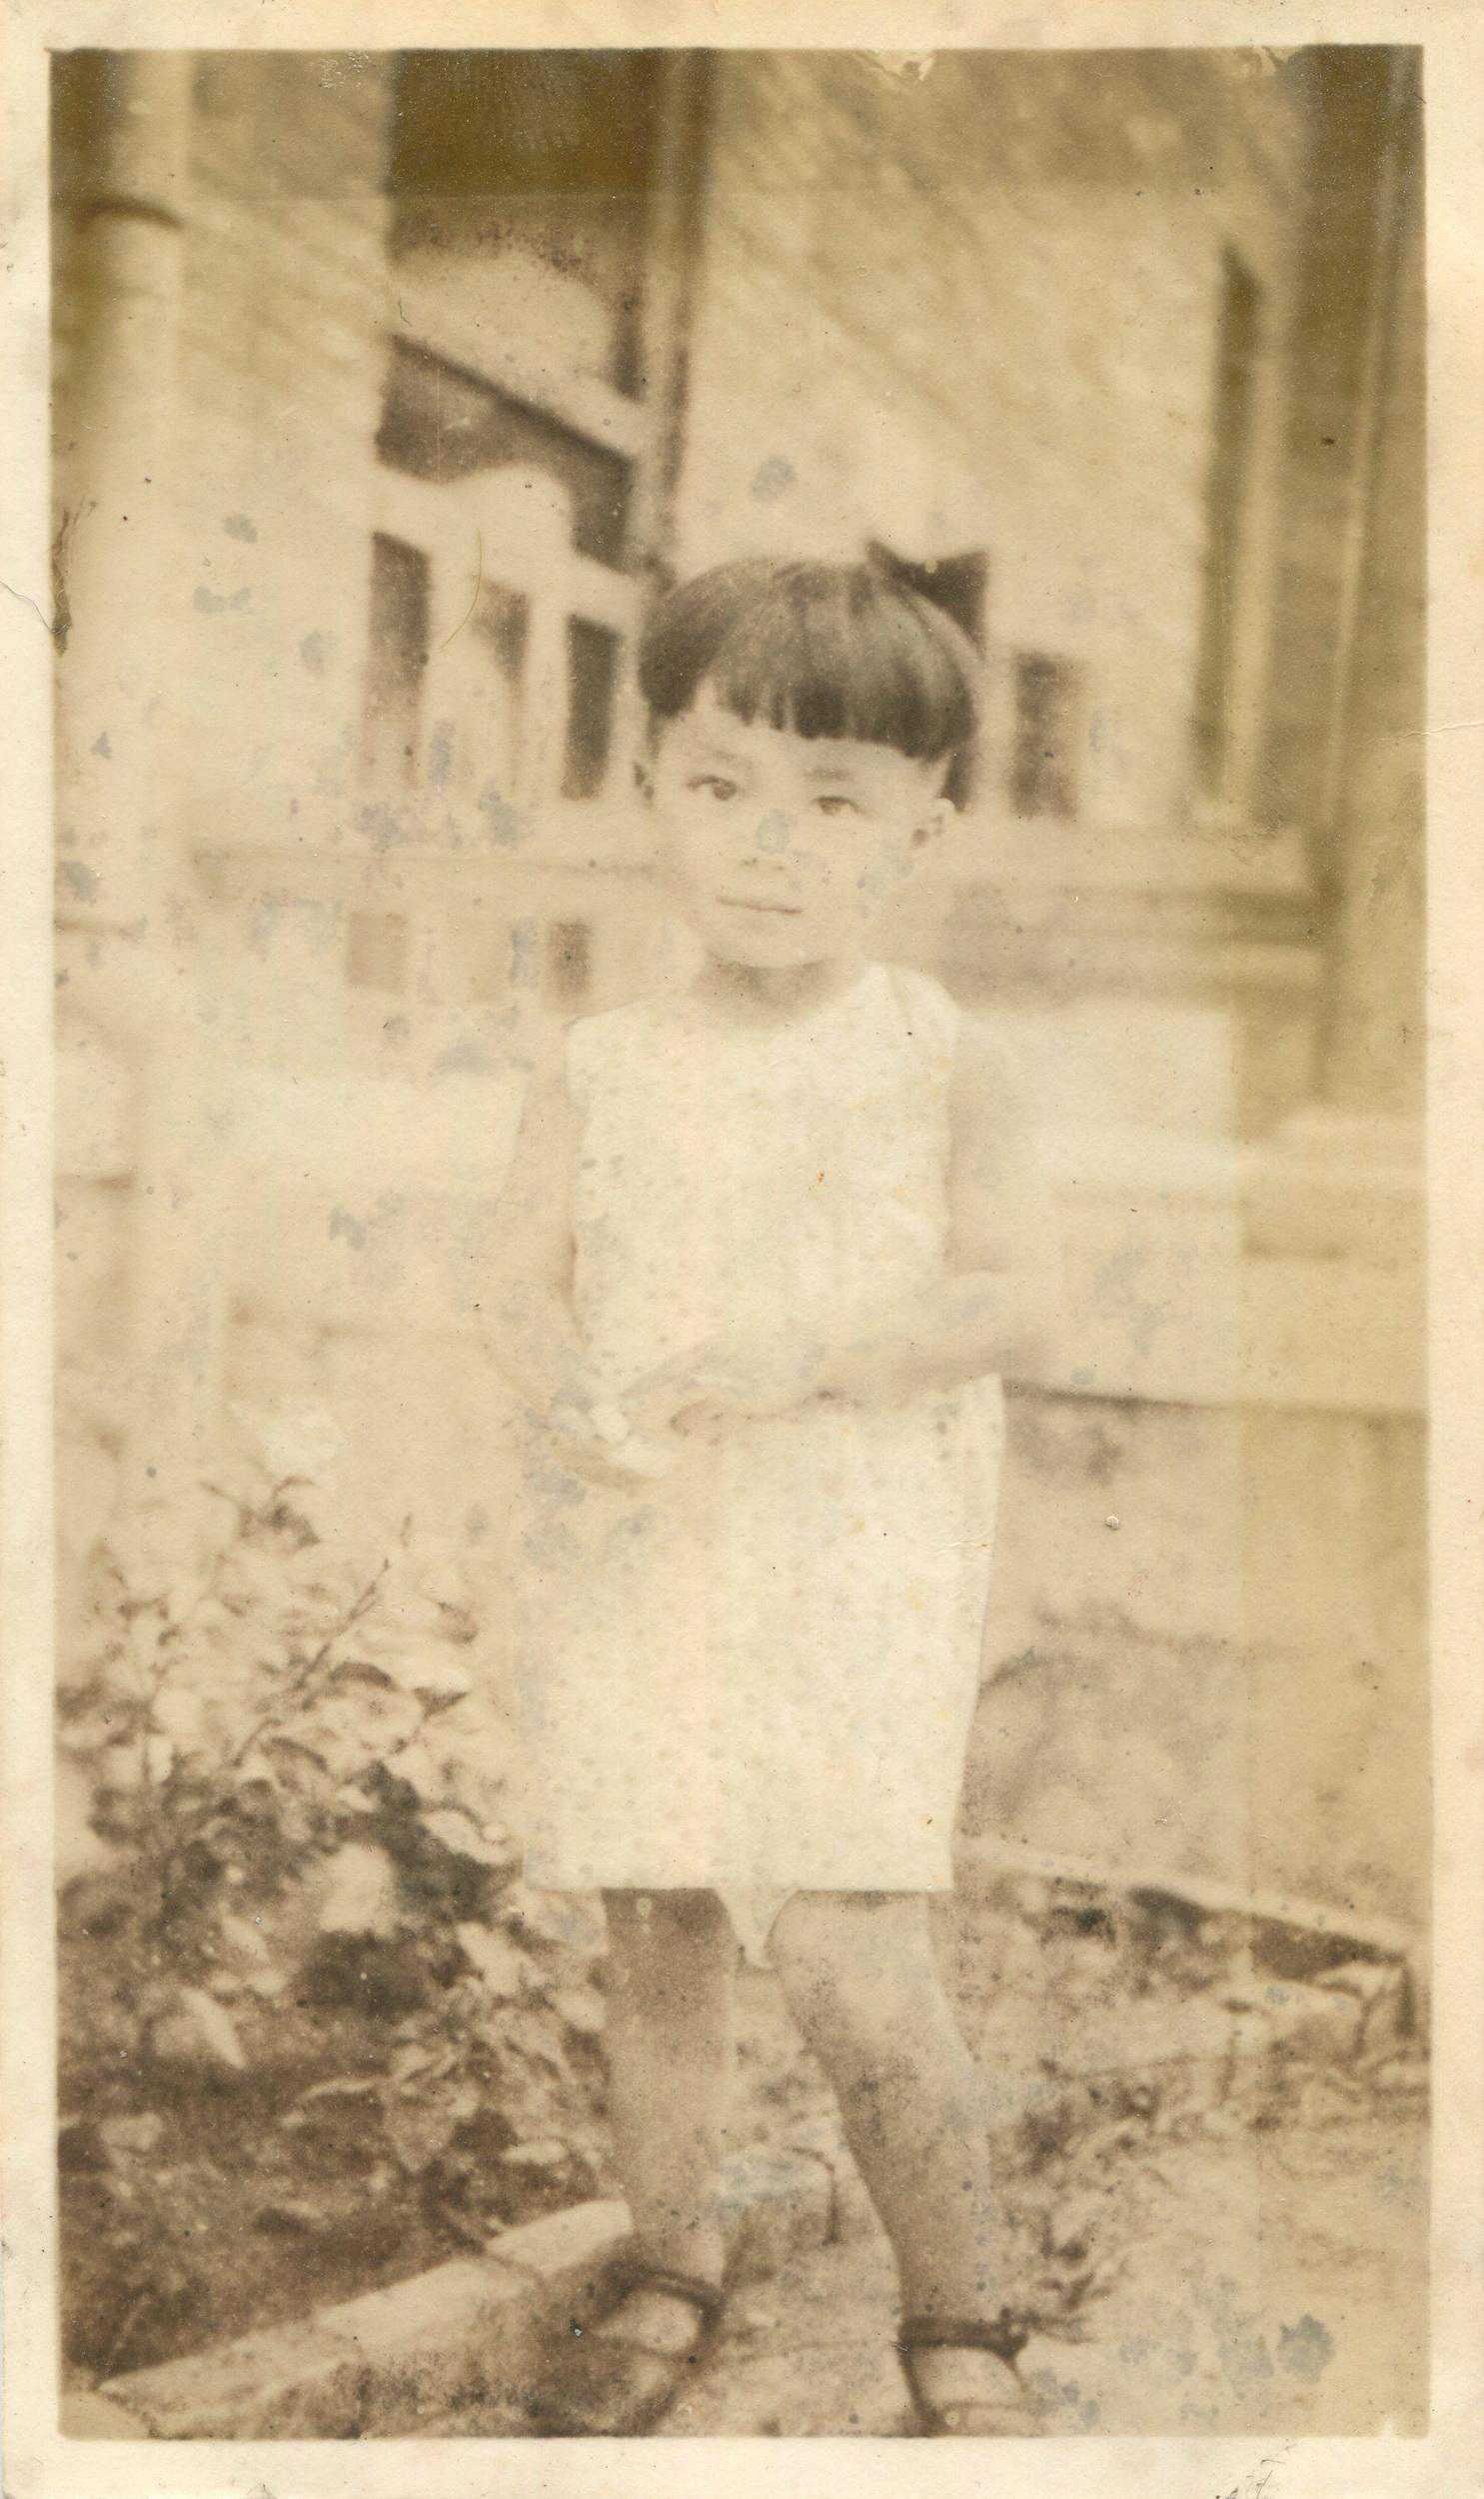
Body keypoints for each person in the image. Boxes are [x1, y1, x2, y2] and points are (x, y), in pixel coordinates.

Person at [488, 556, 1062, 2435]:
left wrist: (808, 1354)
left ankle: (960, 2311)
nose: (767, 842)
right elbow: (513, 1281)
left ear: (919, 833)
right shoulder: (600, 1064)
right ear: (649, 783)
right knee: (654, 1914)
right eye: (720, 785)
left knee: (845, 1944)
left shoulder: (936, 1056)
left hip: (852, 1548)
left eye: (832, 801)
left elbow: (1013, 1296)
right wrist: (566, 1391)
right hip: (645, 1535)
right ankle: (674, 2261)